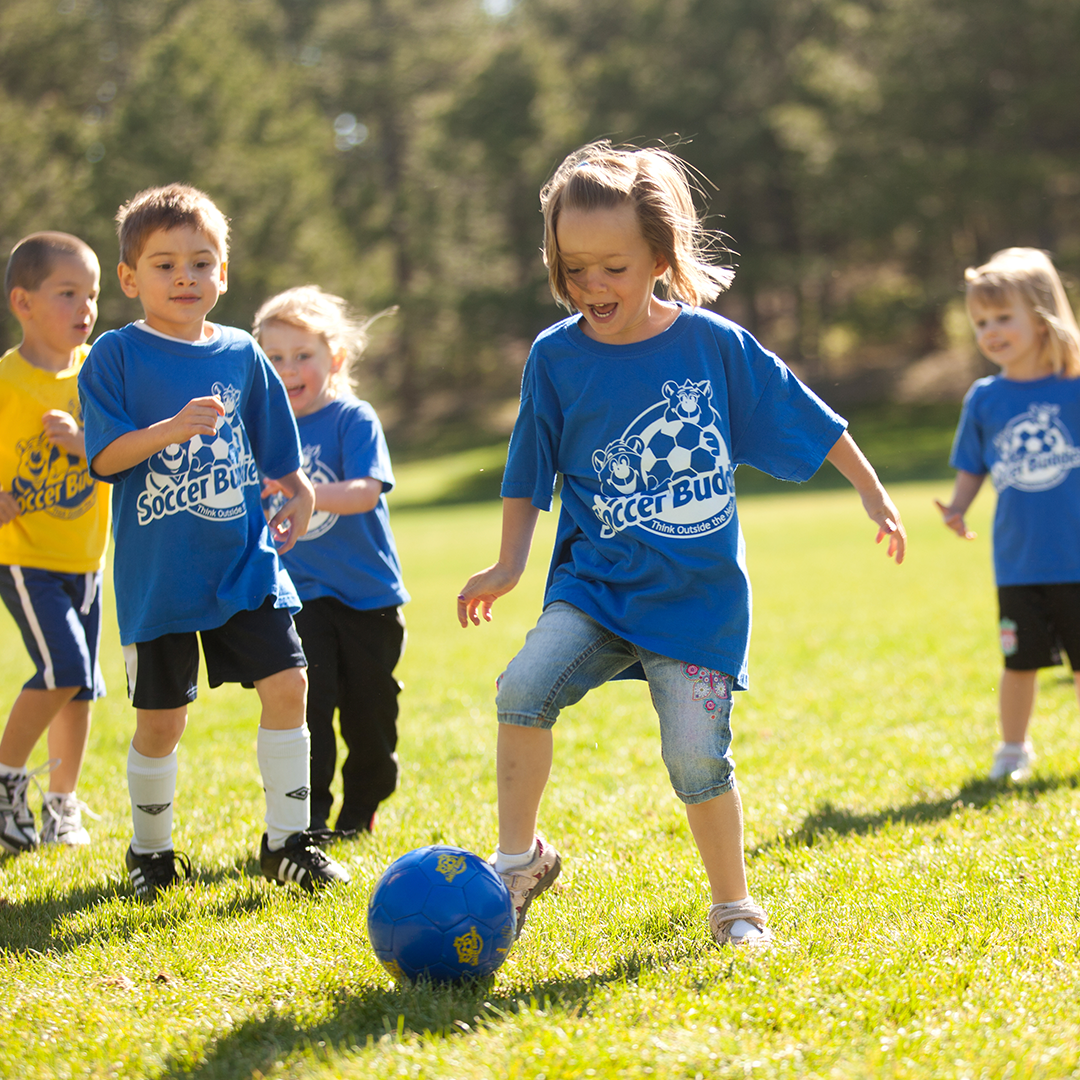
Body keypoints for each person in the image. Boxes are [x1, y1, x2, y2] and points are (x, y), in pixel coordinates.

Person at [457, 141, 907, 948]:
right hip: (596, 586)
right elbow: (528, 469)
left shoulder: (712, 346)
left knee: (697, 763)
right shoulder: (555, 358)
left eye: (613, 269)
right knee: (522, 687)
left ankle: (734, 905)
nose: (592, 287)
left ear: (662, 257)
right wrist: (509, 561)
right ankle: (519, 859)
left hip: (696, 604)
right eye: (573, 269)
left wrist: (873, 492)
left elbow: (810, 416)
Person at [78, 183, 349, 899]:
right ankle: (150, 852)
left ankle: (288, 842)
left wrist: (300, 488)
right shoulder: (115, 356)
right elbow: (103, 459)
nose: (186, 278)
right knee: (163, 721)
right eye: (165, 266)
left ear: (223, 273)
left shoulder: (241, 353)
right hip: (159, 575)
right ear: (131, 279)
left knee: (290, 683)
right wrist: (170, 428)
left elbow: (275, 447)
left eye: (202, 263)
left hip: (242, 563)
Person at [253, 286, 408, 834]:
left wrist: (308, 494)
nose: (288, 368)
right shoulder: (263, 433)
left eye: (303, 356)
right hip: (299, 598)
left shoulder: (352, 418)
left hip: (367, 597)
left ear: (334, 358)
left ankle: (361, 805)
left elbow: (367, 491)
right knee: (308, 711)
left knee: (370, 714)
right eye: (273, 358)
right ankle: (308, 817)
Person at [936, 247, 1080, 781]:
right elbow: (974, 464)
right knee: (1019, 663)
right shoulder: (986, 398)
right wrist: (957, 506)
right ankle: (1013, 751)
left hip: (1077, 559)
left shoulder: (1074, 390)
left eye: (1003, 318)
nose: (990, 330)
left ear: (1042, 319)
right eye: (980, 322)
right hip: (1020, 562)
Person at [0, 232, 109, 851]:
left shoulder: (98, 372)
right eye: (67, 293)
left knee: (82, 684)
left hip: (86, 556)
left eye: (90, 294)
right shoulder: (6, 383)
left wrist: (82, 440)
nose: (85, 307)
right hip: (24, 556)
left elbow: (123, 444)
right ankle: (5, 781)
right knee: (62, 667)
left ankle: (60, 806)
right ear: (23, 302)